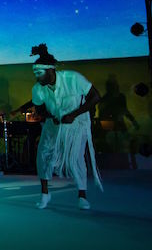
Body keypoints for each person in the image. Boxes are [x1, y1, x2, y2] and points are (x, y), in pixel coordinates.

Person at [30, 44, 103, 210]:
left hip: (76, 125)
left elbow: (95, 96)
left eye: (39, 73)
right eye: (35, 73)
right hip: (54, 124)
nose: (37, 77)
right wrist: (50, 116)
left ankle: (82, 196)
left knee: (75, 158)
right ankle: (45, 194)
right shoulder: (38, 89)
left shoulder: (73, 78)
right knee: (44, 155)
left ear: (50, 71)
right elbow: (40, 108)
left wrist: (73, 115)